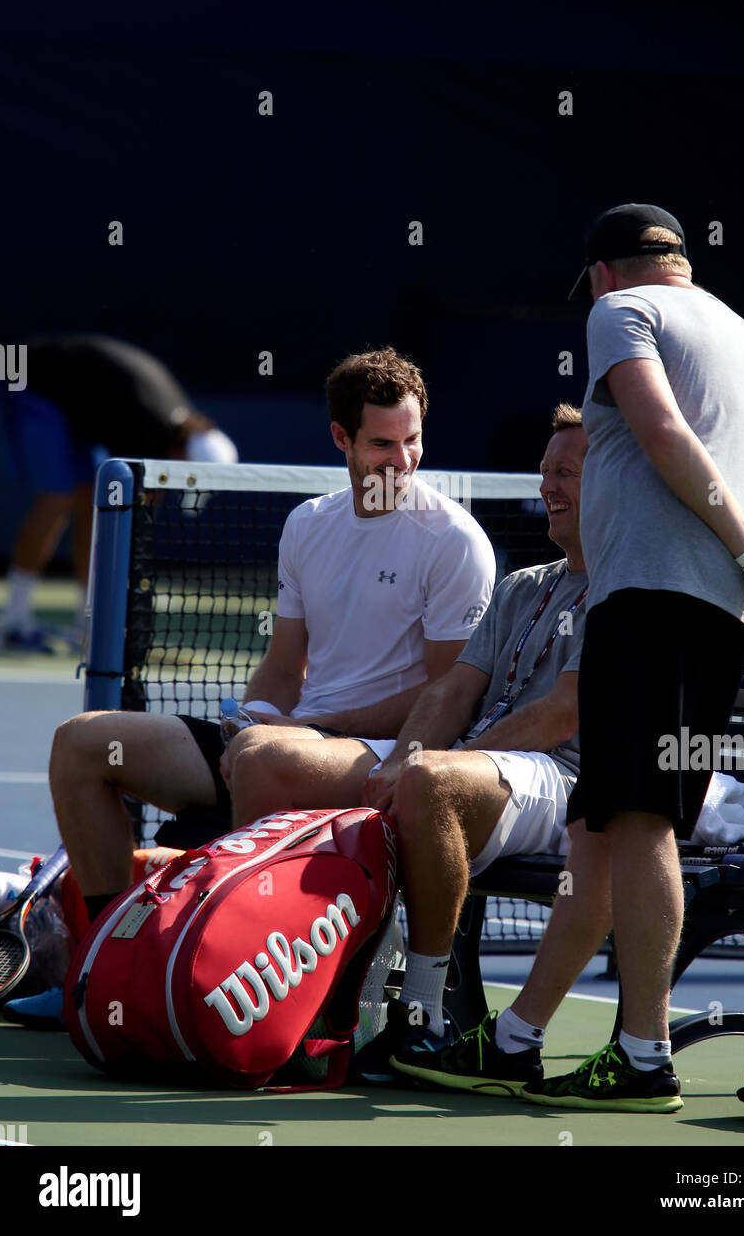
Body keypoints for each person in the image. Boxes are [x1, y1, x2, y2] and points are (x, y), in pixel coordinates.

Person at [392, 202, 744, 1110]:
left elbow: (662, 430)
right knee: (602, 825)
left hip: (659, 601)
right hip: (722, 617)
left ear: (601, 272)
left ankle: (642, 1056)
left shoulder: (621, 313)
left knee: (640, 825)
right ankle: (514, 1042)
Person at [8, 347, 494, 1028]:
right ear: (340, 439)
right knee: (85, 742)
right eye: (382, 443)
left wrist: (304, 731)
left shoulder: (454, 542)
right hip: (287, 742)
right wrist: (255, 715)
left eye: (411, 440)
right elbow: (284, 662)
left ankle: (224, 979)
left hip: (384, 755)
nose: (402, 460)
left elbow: (448, 693)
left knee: (265, 756)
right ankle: (104, 970)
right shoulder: (308, 525)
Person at [225, 404, 588, 1078]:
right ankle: (292, 984)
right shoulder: (521, 587)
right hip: (484, 766)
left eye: (565, 473)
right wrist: (396, 760)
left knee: (428, 784)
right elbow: (449, 692)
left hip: (568, 785)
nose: (548, 487)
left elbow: (558, 717)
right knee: (301, 769)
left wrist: (433, 765)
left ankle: (420, 1015)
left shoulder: (623, 591)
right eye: (545, 472)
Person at [0, 334, 237, 653]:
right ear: (180, 454)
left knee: (88, 501)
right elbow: (135, 516)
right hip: (33, 380)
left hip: (73, 397)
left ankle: (89, 623)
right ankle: (13, 622)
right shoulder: (144, 427)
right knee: (58, 499)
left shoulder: (173, 429)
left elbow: (134, 513)